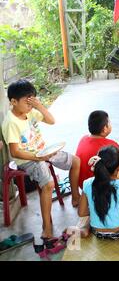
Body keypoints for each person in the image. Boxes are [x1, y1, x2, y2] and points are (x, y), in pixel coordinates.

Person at [2, 79, 81, 239]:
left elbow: (51, 121)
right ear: (13, 101)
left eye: (32, 101)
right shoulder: (11, 122)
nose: (30, 106)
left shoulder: (30, 112)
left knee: (76, 161)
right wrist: (38, 157)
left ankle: (75, 197)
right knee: (48, 184)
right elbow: (15, 152)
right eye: (27, 102)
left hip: (43, 151)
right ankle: (46, 227)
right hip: (28, 159)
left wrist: (39, 106)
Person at [77, 145, 119, 240]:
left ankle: (85, 228)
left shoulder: (87, 183)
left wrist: (99, 208)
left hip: (97, 231)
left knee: (97, 207)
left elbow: (81, 212)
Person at [76, 110, 119, 190]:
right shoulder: (112, 145)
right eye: (109, 122)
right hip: (101, 187)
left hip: (84, 185)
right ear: (104, 129)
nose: (111, 124)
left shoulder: (83, 139)